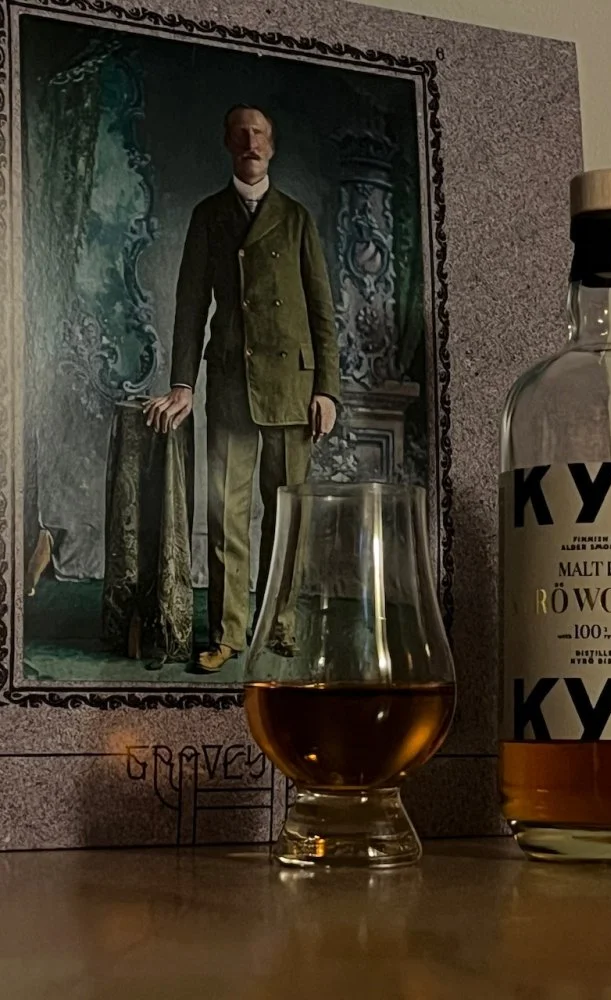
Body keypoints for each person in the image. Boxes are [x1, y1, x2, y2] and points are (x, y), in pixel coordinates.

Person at [145, 104, 340, 672]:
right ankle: (228, 633)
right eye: (241, 133)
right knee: (226, 515)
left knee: (286, 514)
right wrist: (183, 384)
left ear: (271, 147)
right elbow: (189, 305)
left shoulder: (296, 218)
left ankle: (280, 624)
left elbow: (322, 312)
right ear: (228, 143)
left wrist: (327, 390)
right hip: (232, 383)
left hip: (292, 389)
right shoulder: (209, 216)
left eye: (260, 134)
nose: (251, 142)